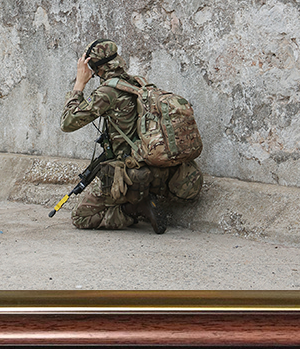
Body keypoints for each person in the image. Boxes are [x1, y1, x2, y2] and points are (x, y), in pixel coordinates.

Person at [60, 39, 203, 233]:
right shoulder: (137, 82)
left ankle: (134, 208)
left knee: (81, 217)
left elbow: (67, 123)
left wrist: (79, 84)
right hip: (156, 166)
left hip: (131, 174)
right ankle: (145, 197)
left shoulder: (107, 92)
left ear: (95, 68)